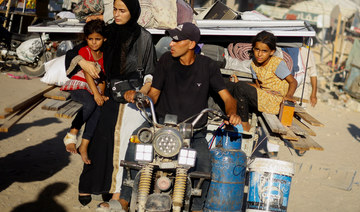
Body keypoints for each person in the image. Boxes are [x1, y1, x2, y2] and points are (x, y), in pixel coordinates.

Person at [118, 22, 242, 212]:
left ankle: (197, 208)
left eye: (176, 40)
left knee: (204, 166)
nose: (171, 44)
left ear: (191, 44)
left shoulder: (208, 66)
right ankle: (124, 200)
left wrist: (232, 113)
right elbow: (154, 94)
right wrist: (141, 100)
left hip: (193, 132)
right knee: (135, 142)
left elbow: (227, 98)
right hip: (159, 126)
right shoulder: (166, 61)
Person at [72, 0, 157, 209]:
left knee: (126, 143)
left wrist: (141, 93)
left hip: (132, 97)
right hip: (108, 94)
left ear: (133, 11)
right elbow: (78, 52)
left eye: (122, 10)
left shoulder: (143, 37)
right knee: (100, 142)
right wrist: (82, 62)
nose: (117, 14)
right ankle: (91, 186)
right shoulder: (107, 32)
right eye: (115, 10)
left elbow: (150, 71)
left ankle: (118, 192)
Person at [227, 30, 297, 155]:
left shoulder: (277, 63)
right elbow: (258, 87)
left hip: (275, 101)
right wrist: (237, 84)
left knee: (241, 87)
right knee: (230, 85)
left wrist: (289, 96)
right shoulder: (254, 64)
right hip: (263, 96)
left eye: (264, 51)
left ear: (271, 52)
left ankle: (245, 125)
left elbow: (293, 82)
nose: (259, 54)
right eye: (257, 49)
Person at [61, 20, 108, 165]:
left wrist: (101, 93)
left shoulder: (105, 55)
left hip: (93, 87)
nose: (94, 43)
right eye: (90, 39)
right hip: (79, 86)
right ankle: (72, 133)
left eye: (98, 39)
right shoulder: (84, 51)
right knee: (89, 103)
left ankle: (84, 145)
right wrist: (96, 94)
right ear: (86, 39)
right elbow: (88, 73)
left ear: (104, 39)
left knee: (98, 108)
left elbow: (103, 78)